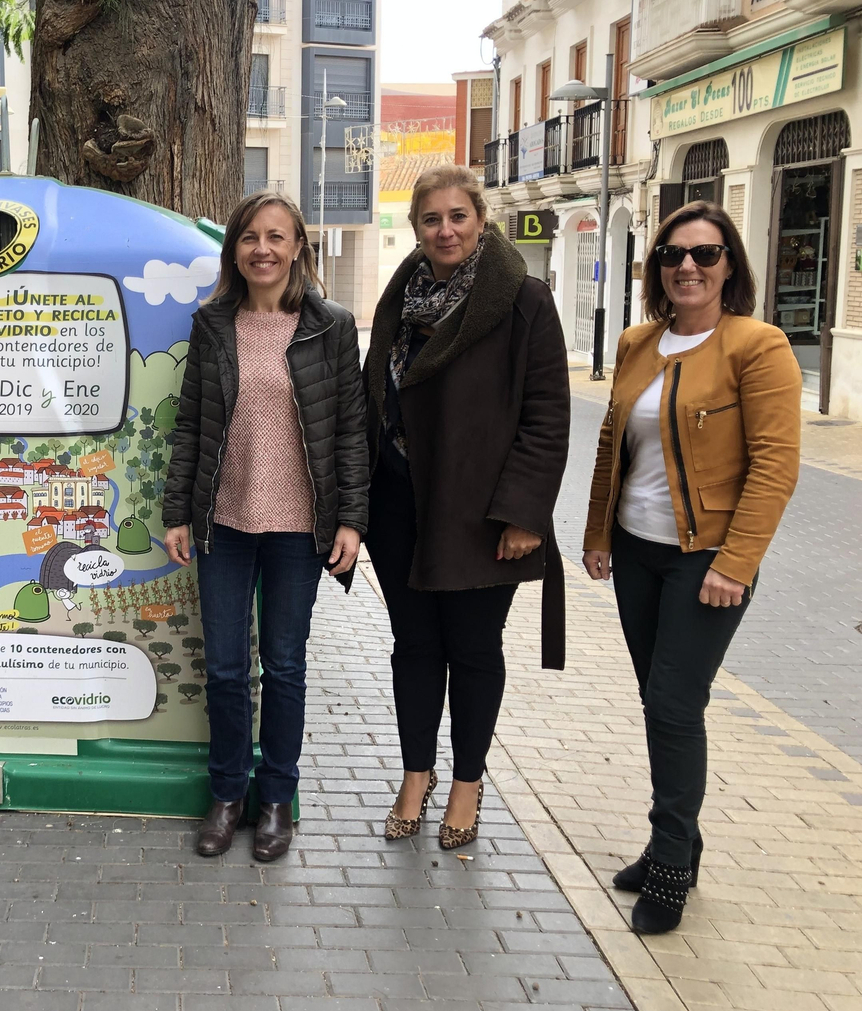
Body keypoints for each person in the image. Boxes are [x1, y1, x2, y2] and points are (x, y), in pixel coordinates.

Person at [583, 201, 800, 934]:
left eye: (705, 255)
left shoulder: (757, 346)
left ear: (729, 265)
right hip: (639, 551)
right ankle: (677, 838)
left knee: (675, 707)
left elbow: (775, 467)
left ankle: (673, 863)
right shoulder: (638, 342)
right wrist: (598, 535)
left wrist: (735, 563)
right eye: (673, 255)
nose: (687, 267)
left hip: (707, 557)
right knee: (659, 702)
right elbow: (614, 443)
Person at [364, 164, 569, 852]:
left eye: (457, 216)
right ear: (417, 228)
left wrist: (524, 513)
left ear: (480, 219)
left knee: (474, 650)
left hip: (481, 517)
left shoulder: (522, 300)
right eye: (431, 219)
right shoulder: (402, 295)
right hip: (400, 505)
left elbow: (546, 415)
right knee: (415, 648)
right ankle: (415, 776)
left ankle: (467, 785)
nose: (445, 229)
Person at [163, 190, 369, 863]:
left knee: (283, 668)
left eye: (277, 237)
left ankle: (276, 799)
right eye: (251, 237)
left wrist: (351, 523)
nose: (263, 249)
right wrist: (175, 513)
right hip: (223, 521)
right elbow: (190, 424)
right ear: (235, 249)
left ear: (299, 248)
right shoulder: (213, 324)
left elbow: (349, 434)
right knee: (225, 669)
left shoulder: (331, 326)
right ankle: (227, 796)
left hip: (297, 528)